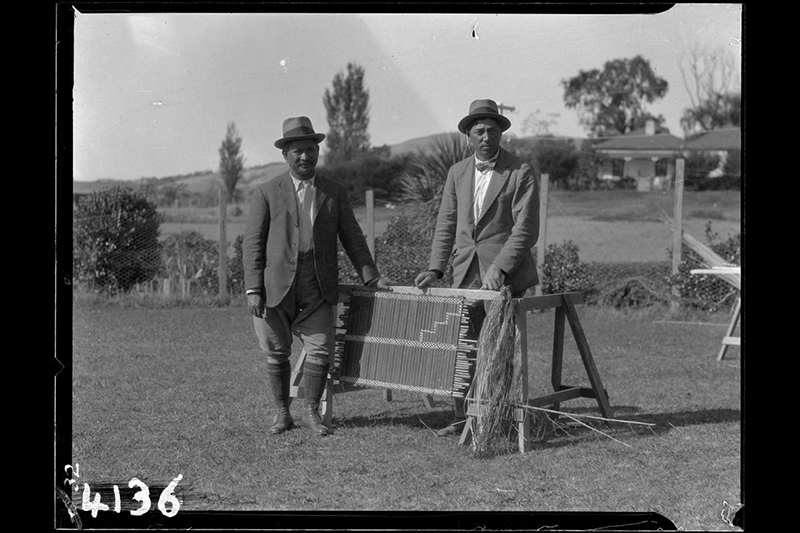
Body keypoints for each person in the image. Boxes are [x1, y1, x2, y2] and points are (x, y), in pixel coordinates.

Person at [243, 116, 391, 438]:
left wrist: (371, 277)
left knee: (321, 349)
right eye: (297, 151)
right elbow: (253, 242)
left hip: (318, 286)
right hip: (274, 289)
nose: (304, 157)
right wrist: (254, 288)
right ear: (285, 155)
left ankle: (311, 412)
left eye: (310, 149)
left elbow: (352, 237)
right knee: (277, 351)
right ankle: (283, 414)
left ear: (318, 151)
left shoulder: (333, 193)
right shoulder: (267, 192)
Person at [414, 99, 540, 437]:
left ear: (501, 133)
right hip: (464, 272)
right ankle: (462, 419)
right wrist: (436, 270)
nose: (486, 136)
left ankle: (495, 419)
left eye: (493, 130)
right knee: (462, 346)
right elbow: (446, 224)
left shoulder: (520, 171)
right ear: (468, 135)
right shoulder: (457, 172)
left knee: (498, 348)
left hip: (505, 276)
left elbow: (525, 229)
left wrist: (500, 268)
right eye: (479, 131)